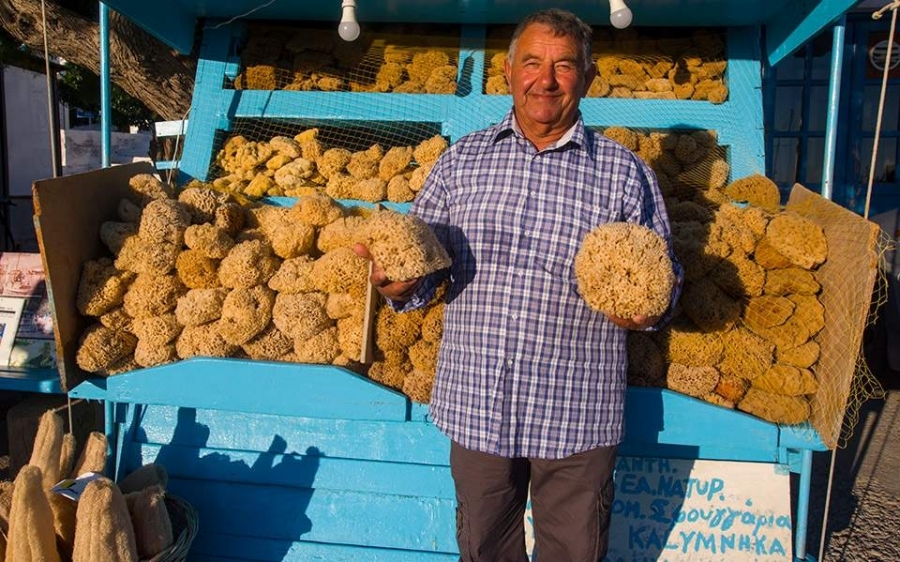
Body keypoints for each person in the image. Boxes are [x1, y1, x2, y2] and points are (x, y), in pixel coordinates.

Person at [355, 8, 682, 561]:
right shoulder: (461, 164)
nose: (545, 79)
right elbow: (422, 278)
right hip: (478, 404)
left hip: (577, 414)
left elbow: (664, 283)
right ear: (507, 72)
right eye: (531, 63)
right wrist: (395, 287)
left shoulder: (626, 174)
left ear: (588, 77)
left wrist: (647, 311)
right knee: (484, 551)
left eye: (563, 65)